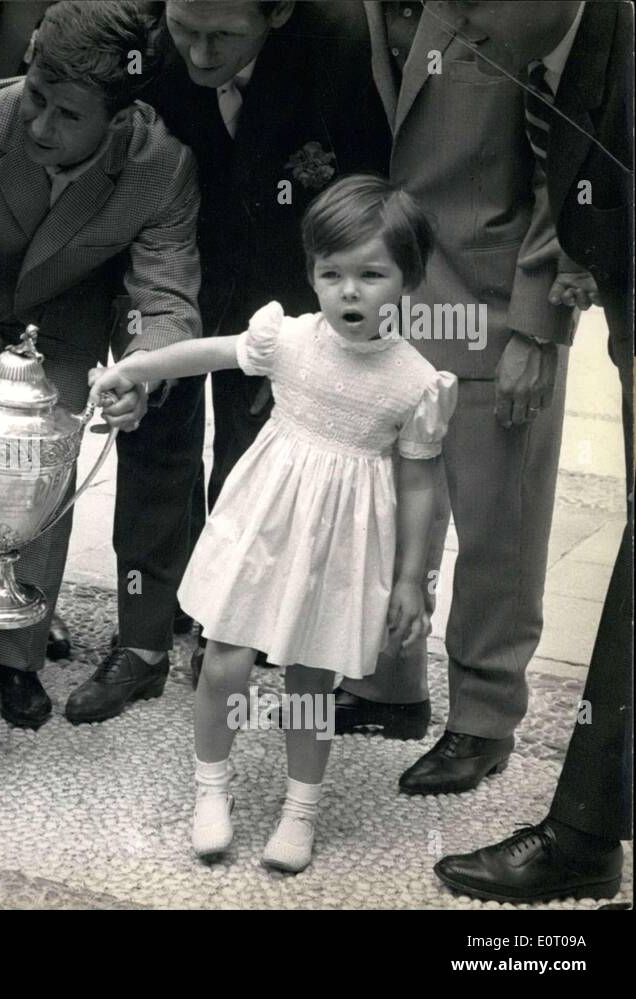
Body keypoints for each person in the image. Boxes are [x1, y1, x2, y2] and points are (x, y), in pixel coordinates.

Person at [92, 175, 456, 873]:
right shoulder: (287, 338)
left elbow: (418, 480)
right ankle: (210, 789)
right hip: (263, 522)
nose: (350, 291)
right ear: (312, 274)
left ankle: (300, 810)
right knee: (224, 659)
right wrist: (138, 368)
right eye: (332, 273)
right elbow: (207, 353)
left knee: (311, 680)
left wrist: (413, 576)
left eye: (372, 274)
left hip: (343, 543)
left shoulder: (416, 383)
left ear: (408, 280)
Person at [0, 0, 202, 729]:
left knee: (42, 468)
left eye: (66, 115)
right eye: (35, 97)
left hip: (60, 329)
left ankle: (17, 656)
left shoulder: (162, 170)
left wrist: (141, 372)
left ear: (119, 120)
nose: (38, 126)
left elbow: (166, 299)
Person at [75, 0, 393, 711]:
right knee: (155, 439)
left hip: (281, 283)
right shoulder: (148, 38)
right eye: (185, 29)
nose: (197, 52)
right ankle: (142, 641)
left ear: (278, 12)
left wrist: (318, 326)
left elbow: (359, 180)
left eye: (222, 36)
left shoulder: (332, 38)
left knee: (255, 459)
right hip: (168, 269)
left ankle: (228, 633)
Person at [334, 2, 578, 796]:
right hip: (387, 305)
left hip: (493, 306)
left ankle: (484, 717)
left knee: (497, 528)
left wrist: (537, 327)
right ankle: (389, 685)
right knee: (389, 507)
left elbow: (562, 171)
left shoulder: (533, 9)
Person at [430, 0, 631, 903]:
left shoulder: (619, 50)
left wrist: (539, 321)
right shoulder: (559, 44)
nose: (453, 13)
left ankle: (584, 832)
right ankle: (587, 832)